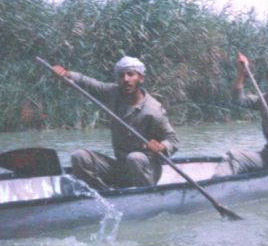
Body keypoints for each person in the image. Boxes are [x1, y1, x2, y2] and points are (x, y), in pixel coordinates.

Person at [50, 56, 178, 189]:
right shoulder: (112, 93)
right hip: (120, 166)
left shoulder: (153, 109)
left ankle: (145, 195)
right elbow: (87, 83)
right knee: (80, 157)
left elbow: (172, 140)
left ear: (141, 78)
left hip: (146, 169)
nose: (126, 79)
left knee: (134, 158)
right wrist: (66, 74)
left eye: (131, 74)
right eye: (121, 75)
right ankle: (100, 195)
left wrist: (161, 147)